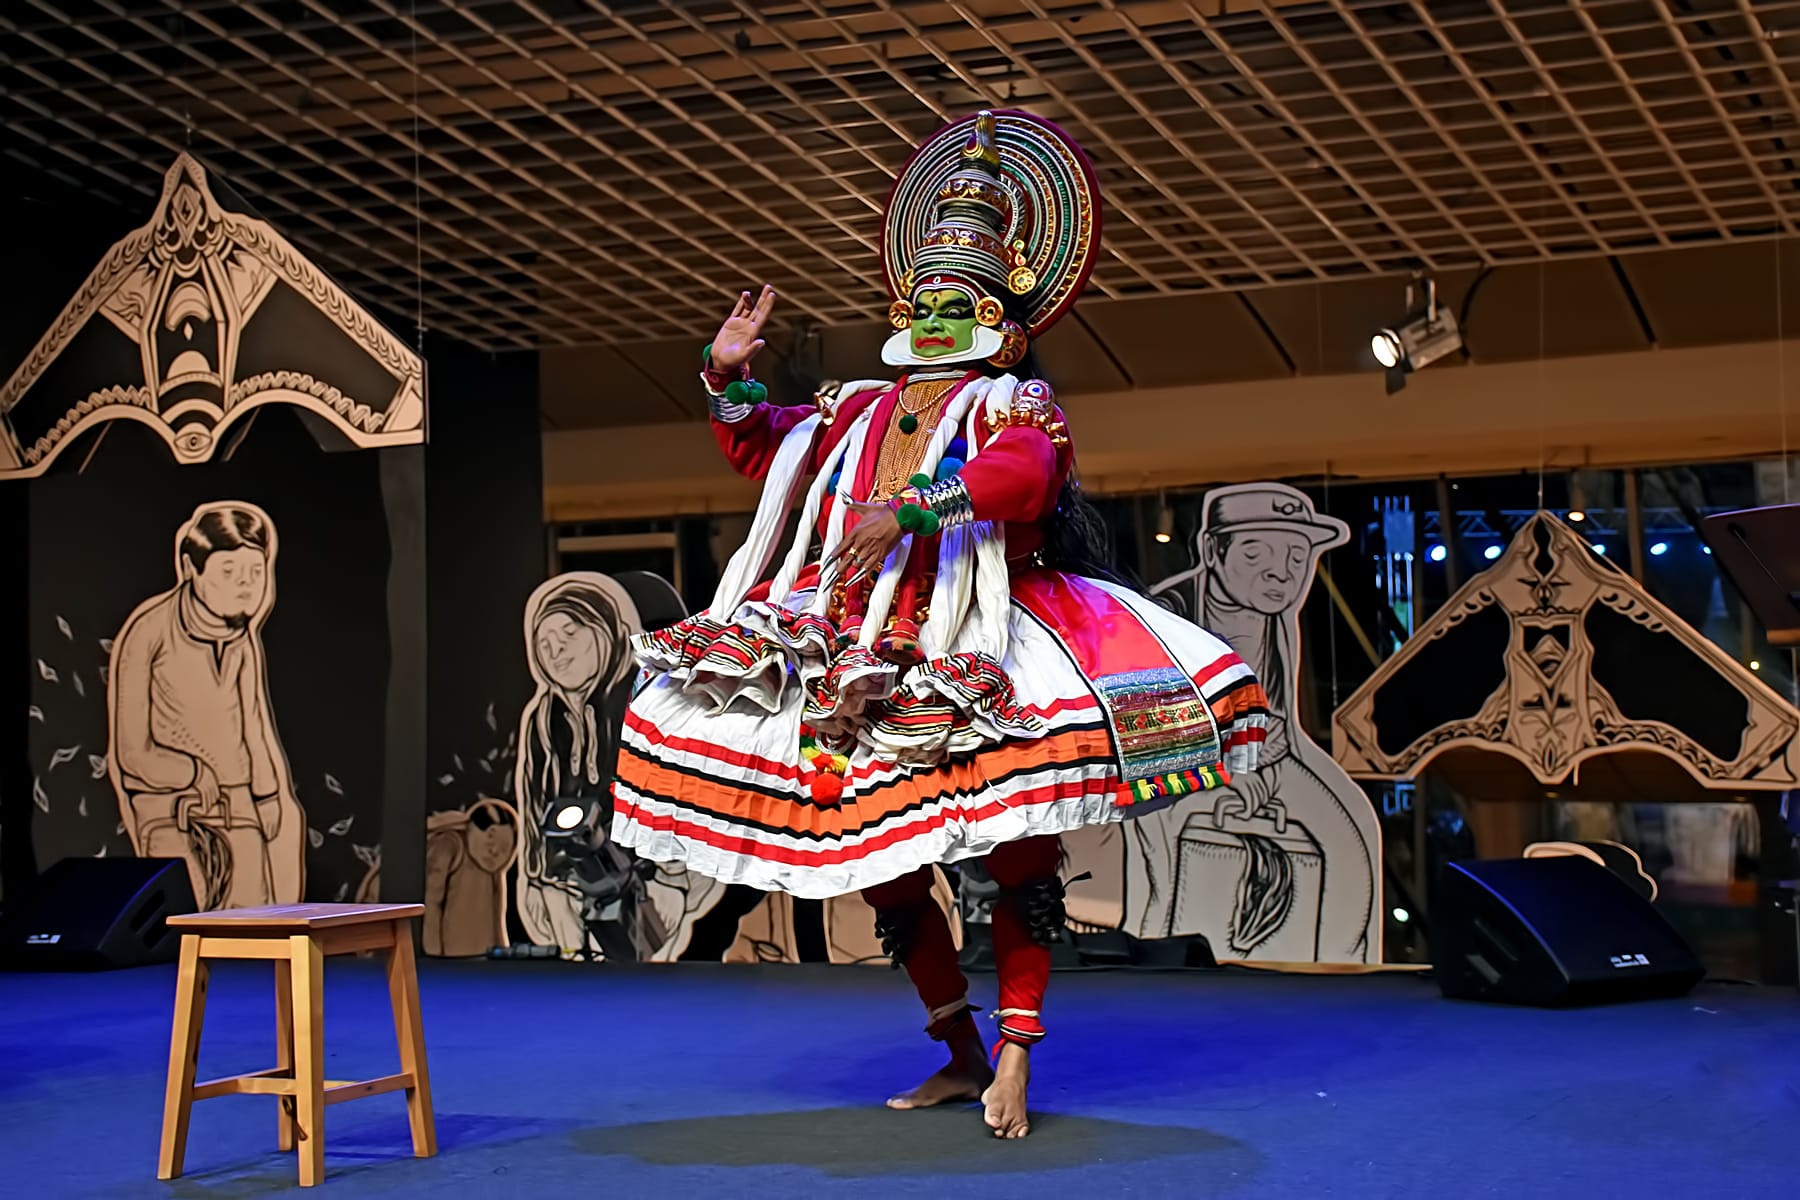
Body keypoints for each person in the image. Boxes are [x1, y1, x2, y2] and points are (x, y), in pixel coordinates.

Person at [611, 111, 1267, 1139]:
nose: (932, 319)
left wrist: (915, 510)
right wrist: (727, 378)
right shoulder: (856, 409)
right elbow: (770, 449)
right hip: (856, 644)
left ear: (998, 320)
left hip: (984, 632)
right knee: (884, 866)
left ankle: (1016, 1057)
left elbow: (1022, 479)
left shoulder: (1016, 403)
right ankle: (960, 1053)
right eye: (920, 302)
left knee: (1019, 863)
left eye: (955, 304)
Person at [108, 502, 303, 909]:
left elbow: (252, 724)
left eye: (255, 571)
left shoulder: (241, 640)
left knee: (253, 922)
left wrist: (266, 793)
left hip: (238, 805)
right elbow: (131, 751)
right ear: (190, 568)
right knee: (185, 923)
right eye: (229, 571)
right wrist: (192, 773)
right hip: (171, 807)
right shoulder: (148, 632)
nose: (245, 584)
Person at [514, 573, 668, 960]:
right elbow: (535, 806)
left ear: (605, 628)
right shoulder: (544, 718)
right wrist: (539, 879)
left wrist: (673, 879)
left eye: (569, 632)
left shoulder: (647, 698)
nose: (556, 651)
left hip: (651, 874)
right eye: (544, 643)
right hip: (572, 879)